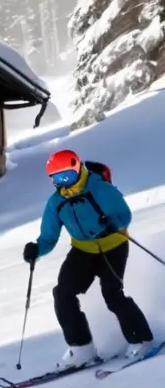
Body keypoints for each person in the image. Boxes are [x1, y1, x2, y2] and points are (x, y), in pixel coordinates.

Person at [23, 149, 154, 371]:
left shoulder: (99, 188)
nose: (64, 183)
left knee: (112, 295)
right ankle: (81, 348)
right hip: (83, 250)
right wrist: (37, 249)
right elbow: (48, 237)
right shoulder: (56, 202)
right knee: (62, 293)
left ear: (77, 169)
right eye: (57, 179)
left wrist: (112, 223)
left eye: (67, 176)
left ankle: (142, 339)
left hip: (113, 244)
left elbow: (124, 214)